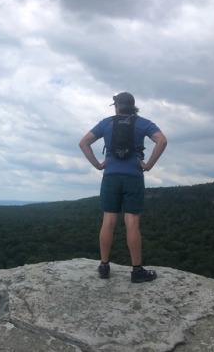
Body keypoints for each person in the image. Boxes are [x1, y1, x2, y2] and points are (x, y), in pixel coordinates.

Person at [79, 92, 167, 283]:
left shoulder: (106, 123)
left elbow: (83, 142)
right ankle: (136, 271)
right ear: (133, 106)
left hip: (110, 175)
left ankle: (104, 266)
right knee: (132, 223)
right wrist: (149, 165)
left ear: (116, 106)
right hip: (134, 176)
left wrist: (98, 164)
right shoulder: (143, 123)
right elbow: (162, 140)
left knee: (108, 220)